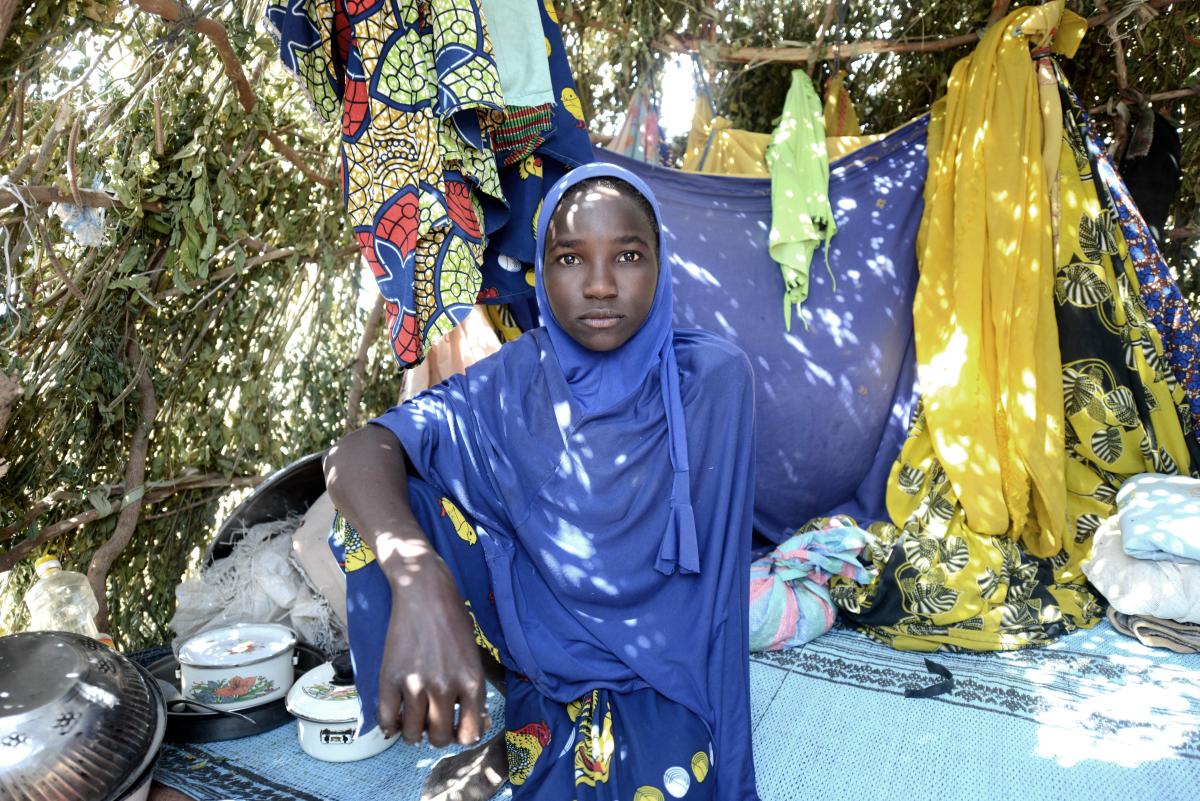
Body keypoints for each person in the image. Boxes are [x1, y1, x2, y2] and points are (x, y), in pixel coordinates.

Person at [324, 162, 759, 800]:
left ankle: (526, 738)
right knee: (383, 514)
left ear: (661, 266)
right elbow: (357, 451)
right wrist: (422, 581)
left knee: (648, 779)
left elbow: (721, 592)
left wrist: (737, 780)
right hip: (541, 653)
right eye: (570, 258)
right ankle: (515, 713)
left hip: (660, 674)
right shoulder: (515, 378)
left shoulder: (713, 382)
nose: (602, 285)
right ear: (542, 272)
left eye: (629, 255)